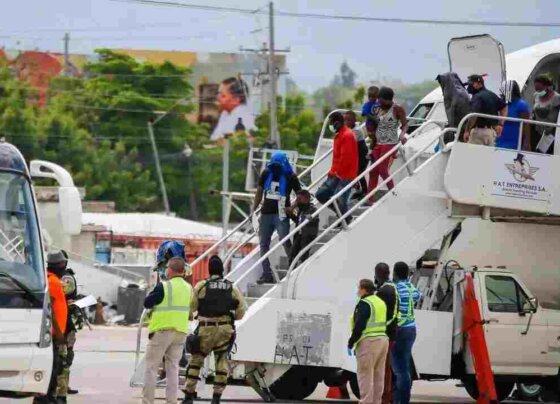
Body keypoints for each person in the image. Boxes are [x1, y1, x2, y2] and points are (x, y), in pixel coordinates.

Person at [183, 256, 247, 404]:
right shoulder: (232, 287)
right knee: (221, 362)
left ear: (209, 270)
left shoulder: (202, 286)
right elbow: (241, 310)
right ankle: (216, 398)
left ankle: (188, 396)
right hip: (225, 330)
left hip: (205, 329)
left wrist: (190, 318)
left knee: (195, 362)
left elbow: (191, 307)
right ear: (222, 270)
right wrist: (231, 319)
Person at [143, 257, 193, 404]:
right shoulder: (189, 288)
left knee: (151, 368)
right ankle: (172, 402)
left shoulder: (163, 286)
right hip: (181, 332)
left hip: (162, 331)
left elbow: (147, 302)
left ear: (170, 270)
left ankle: (147, 401)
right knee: (173, 369)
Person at [252, 152, 301, 284]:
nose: (275, 168)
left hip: (282, 213)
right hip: (266, 213)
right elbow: (260, 191)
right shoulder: (267, 172)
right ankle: (266, 273)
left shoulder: (291, 176)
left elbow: (300, 194)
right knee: (263, 244)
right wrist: (253, 209)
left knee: (284, 240)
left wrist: (293, 206)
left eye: (277, 165)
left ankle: (294, 266)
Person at [34, 251, 68, 404]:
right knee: (54, 367)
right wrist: (59, 332)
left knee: (54, 366)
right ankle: (46, 398)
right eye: (62, 264)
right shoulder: (52, 281)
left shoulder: (49, 279)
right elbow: (51, 309)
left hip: (52, 332)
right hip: (54, 333)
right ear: (60, 265)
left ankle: (45, 398)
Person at [348, 279, 389, 404]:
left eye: (358, 287)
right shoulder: (380, 302)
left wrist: (351, 342)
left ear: (363, 289)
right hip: (382, 340)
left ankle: (365, 402)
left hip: (369, 341)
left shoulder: (365, 303)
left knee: (365, 375)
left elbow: (360, 324)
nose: (357, 290)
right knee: (378, 376)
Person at [367, 87, 407, 204]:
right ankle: (370, 199)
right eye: (379, 100)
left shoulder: (397, 109)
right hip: (378, 142)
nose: (380, 103)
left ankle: (393, 193)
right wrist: (370, 132)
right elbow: (372, 122)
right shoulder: (377, 108)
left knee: (382, 170)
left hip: (390, 143)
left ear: (389, 100)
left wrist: (402, 135)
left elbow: (405, 125)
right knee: (373, 170)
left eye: (382, 101)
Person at [316, 111, 358, 224]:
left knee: (340, 199)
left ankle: (344, 218)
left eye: (331, 123)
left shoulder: (347, 136)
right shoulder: (339, 135)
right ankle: (343, 215)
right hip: (335, 174)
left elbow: (346, 159)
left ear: (338, 123)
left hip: (345, 175)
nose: (331, 126)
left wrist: (337, 174)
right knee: (320, 195)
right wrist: (332, 172)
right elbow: (337, 158)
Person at [392, 262, 421, 404]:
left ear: (395, 273)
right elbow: (418, 296)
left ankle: (401, 400)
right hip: (411, 329)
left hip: (400, 329)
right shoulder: (411, 288)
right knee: (405, 367)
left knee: (400, 370)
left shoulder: (396, 289)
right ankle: (401, 399)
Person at [56, 251, 80, 403]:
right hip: (64, 322)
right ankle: (61, 388)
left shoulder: (50, 276)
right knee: (65, 356)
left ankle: (63, 385)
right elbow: (65, 294)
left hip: (64, 321)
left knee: (65, 356)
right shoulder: (64, 277)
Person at [374, 263, 399, 404]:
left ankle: (384, 397)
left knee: (383, 368)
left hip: (385, 335)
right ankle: (386, 396)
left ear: (379, 274)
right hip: (391, 334)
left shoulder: (384, 292)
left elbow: (381, 315)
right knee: (386, 367)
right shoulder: (392, 288)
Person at [463, 74, 507, 146]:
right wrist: (500, 124)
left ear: (479, 84)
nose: (469, 86)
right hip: (491, 133)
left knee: (472, 156)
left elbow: (474, 115)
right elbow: (504, 108)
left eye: (472, 84)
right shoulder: (492, 95)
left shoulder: (477, 97)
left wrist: (467, 131)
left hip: (478, 133)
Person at [210, 77, 257, 141]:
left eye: (223, 95)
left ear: (236, 99)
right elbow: (214, 138)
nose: (218, 97)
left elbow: (237, 142)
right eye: (218, 94)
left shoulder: (244, 116)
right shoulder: (225, 113)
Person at [286, 189, 319, 266]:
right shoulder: (301, 209)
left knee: (303, 255)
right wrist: (290, 213)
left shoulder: (312, 208)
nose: (297, 201)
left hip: (308, 235)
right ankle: (291, 271)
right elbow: (298, 220)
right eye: (297, 199)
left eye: (299, 199)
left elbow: (312, 218)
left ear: (306, 199)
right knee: (292, 254)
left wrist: (294, 206)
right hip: (299, 235)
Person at [497, 80, 531, 150]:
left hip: (513, 143)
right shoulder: (502, 103)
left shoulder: (521, 105)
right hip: (499, 141)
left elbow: (526, 125)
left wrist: (526, 143)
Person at [436, 72, 471, 138]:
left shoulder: (449, 92)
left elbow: (450, 111)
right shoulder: (463, 91)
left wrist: (451, 129)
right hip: (467, 125)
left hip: (460, 127)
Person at [532, 75, 560, 154]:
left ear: (547, 87)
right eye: (536, 89)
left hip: (551, 134)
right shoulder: (535, 96)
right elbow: (533, 111)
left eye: (540, 89)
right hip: (538, 132)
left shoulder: (557, 98)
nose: (538, 91)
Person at [344, 110, 369, 199]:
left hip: (362, 155)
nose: (346, 122)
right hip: (356, 155)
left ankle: (365, 192)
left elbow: (350, 142)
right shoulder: (349, 129)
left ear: (354, 120)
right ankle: (358, 189)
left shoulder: (356, 130)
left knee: (359, 173)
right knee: (354, 173)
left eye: (349, 120)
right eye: (345, 120)